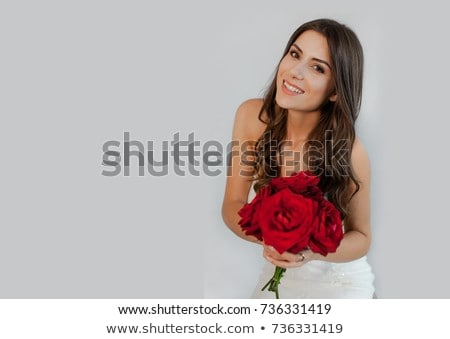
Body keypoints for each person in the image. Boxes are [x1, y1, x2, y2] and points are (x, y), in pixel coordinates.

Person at [221, 18, 375, 298]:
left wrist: (311, 253)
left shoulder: (351, 151)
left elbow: (361, 237)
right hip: (276, 277)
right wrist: (272, 239)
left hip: (339, 283)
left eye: (317, 67)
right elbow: (232, 204)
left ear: (336, 91)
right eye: (295, 54)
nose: (295, 71)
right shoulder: (251, 117)